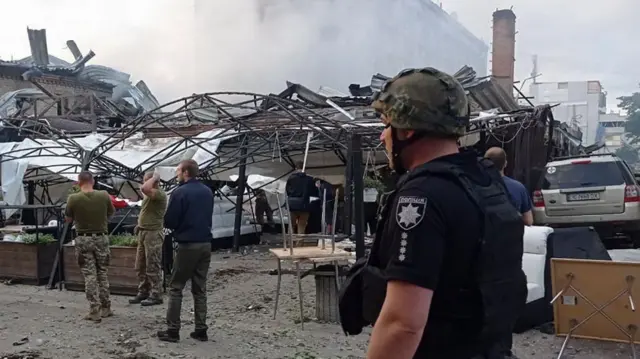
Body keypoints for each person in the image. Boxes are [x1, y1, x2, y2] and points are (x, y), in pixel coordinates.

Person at [340, 68, 527, 358]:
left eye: (386, 125)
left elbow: (403, 324)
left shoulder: (421, 198)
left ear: (407, 129)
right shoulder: (486, 183)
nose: (382, 137)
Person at [157, 159, 214, 343]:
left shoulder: (179, 192)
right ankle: (201, 329)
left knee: (176, 286)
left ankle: (173, 330)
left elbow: (170, 220)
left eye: (178, 171)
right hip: (205, 243)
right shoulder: (207, 191)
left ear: (186, 172)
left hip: (187, 244)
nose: (176, 174)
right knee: (200, 288)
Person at [65, 171, 115, 322]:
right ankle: (106, 307)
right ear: (92, 181)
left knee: (89, 275)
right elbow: (111, 213)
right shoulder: (104, 195)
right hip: (101, 238)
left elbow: (68, 219)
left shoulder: (73, 198)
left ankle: (94, 310)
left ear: (79, 182)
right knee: (103, 273)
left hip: (83, 239)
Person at [130, 170, 168, 306]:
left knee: (153, 264)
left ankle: (156, 294)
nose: (143, 182)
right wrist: (139, 225)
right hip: (144, 231)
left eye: (146, 180)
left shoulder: (159, 194)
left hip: (153, 233)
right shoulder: (149, 195)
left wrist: (156, 176)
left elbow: (145, 188)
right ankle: (143, 291)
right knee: (140, 265)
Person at [484, 147, 534, 226]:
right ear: (505, 164)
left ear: (485, 164)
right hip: (512, 235)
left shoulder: (476, 186)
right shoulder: (519, 187)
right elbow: (528, 221)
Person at [285, 160, 315, 235]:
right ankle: (299, 244)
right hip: (304, 205)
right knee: (302, 225)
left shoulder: (290, 178)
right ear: (305, 168)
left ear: (295, 168)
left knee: (291, 225)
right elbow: (313, 193)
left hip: (292, 205)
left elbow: (287, 191)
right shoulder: (310, 180)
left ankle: (290, 243)